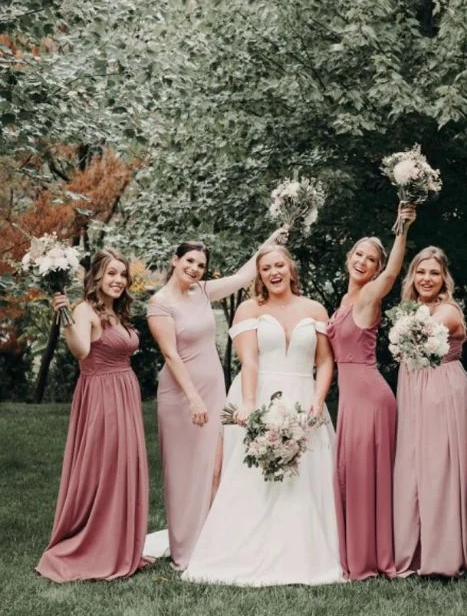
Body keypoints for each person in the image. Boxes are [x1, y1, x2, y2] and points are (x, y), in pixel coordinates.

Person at [182, 245, 343, 586]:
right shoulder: (249, 309)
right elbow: (250, 361)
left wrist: (318, 400)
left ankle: (301, 553)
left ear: (290, 268)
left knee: (304, 476)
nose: (273, 272)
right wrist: (250, 404)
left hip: (304, 397)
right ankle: (243, 550)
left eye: (279, 265)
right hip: (258, 393)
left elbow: (325, 360)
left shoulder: (314, 308)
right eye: (266, 268)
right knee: (254, 475)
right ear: (259, 275)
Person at [145, 229, 286, 571]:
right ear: (175, 260)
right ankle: (184, 550)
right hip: (182, 395)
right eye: (189, 261)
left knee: (214, 467)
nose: (194, 269)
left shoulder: (204, 291)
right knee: (184, 471)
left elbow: (243, 276)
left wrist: (271, 240)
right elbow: (170, 354)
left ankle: (208, 541)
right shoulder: (160, 303)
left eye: (201, 265)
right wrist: (193, 398)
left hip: (213, 390)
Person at [36, 249, 150, 582]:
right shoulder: (83, 310)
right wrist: (64, 319)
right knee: (105, 466)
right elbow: (82, 351)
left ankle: (120, 541)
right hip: (102, 396)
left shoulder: (117, 312)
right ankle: (95, 543)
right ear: (97, 276)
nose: (118, 280)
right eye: (111, 273)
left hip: (124, 392)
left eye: (123, 274)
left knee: (124, 465)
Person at [326, 203, 416, 580]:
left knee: (364, 477)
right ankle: (356, 550)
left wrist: (402, 228)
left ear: (376, 269)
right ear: (350, 257)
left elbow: (395, 273)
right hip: (351, 400)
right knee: (350, 474)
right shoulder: (343, 302)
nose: (363, 262)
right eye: (359, 255)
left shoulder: (367, 297)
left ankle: (369, 558)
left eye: (371, 260)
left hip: (370, 398)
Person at [393, 246, 467, 578]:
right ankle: (413, 550)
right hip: (413, 390)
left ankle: (442, 556)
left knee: (438, 469)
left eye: (434, 273)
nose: (427, 279)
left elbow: (418, 334)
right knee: (412, 466)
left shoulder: (448, 311)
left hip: (442, 390)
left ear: (445, 278)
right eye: (421, 272)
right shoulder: (410, 308)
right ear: (412, 276)